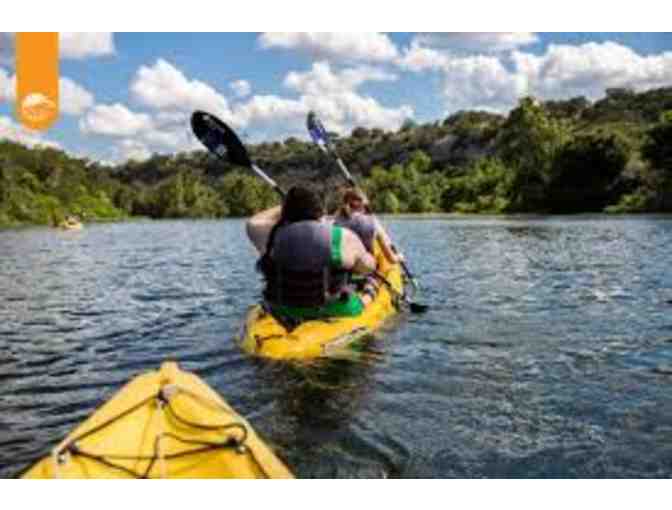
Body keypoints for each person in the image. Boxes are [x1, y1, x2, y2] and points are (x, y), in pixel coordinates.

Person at [246, 186, 377, 320]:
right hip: (334, 309)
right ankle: (369, 293)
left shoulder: (272, 236)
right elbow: (368, 268)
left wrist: (287, 205)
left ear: (285, 212)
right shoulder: (342, 236)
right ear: (320, 210)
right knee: (371, 285)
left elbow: (253, 222)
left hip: (283, 309)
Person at [334, 188, 401, 265]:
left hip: (343, 265)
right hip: (366, 266)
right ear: (362, 204)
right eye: (365, 205)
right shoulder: (372, 221)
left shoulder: (336, 222)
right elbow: (391, 260)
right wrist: (399, 257)